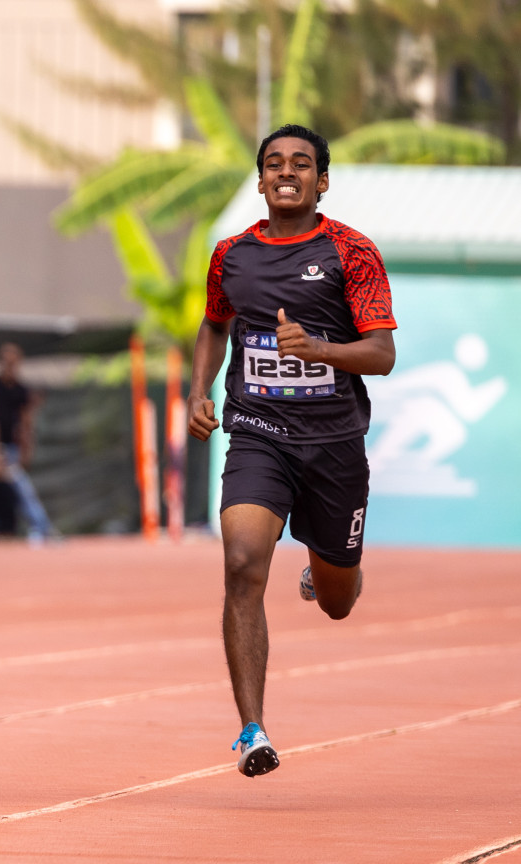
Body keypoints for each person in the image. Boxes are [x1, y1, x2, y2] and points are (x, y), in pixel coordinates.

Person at [186, 123, 397, 778]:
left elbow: (382, 355)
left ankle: (326, 562)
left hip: (334, 443)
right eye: (273, 162)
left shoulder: (351, 253)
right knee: (243, 560)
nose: (286, 171)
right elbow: (214, 324)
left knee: (338, 601)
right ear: (260, 179)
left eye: (301, 163)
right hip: (259, 432)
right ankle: (252, 729)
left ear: (321, 181)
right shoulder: (231, 255)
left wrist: (320, 350)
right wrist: (199, 390)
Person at [0, 342, 54, 541]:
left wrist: (26, 449)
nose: (9, 366)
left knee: (21, 488)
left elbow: (26, 423)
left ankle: (41, 528)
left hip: (9, 449)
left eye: (13, 362)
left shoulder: (21, 390)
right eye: (6, 362)